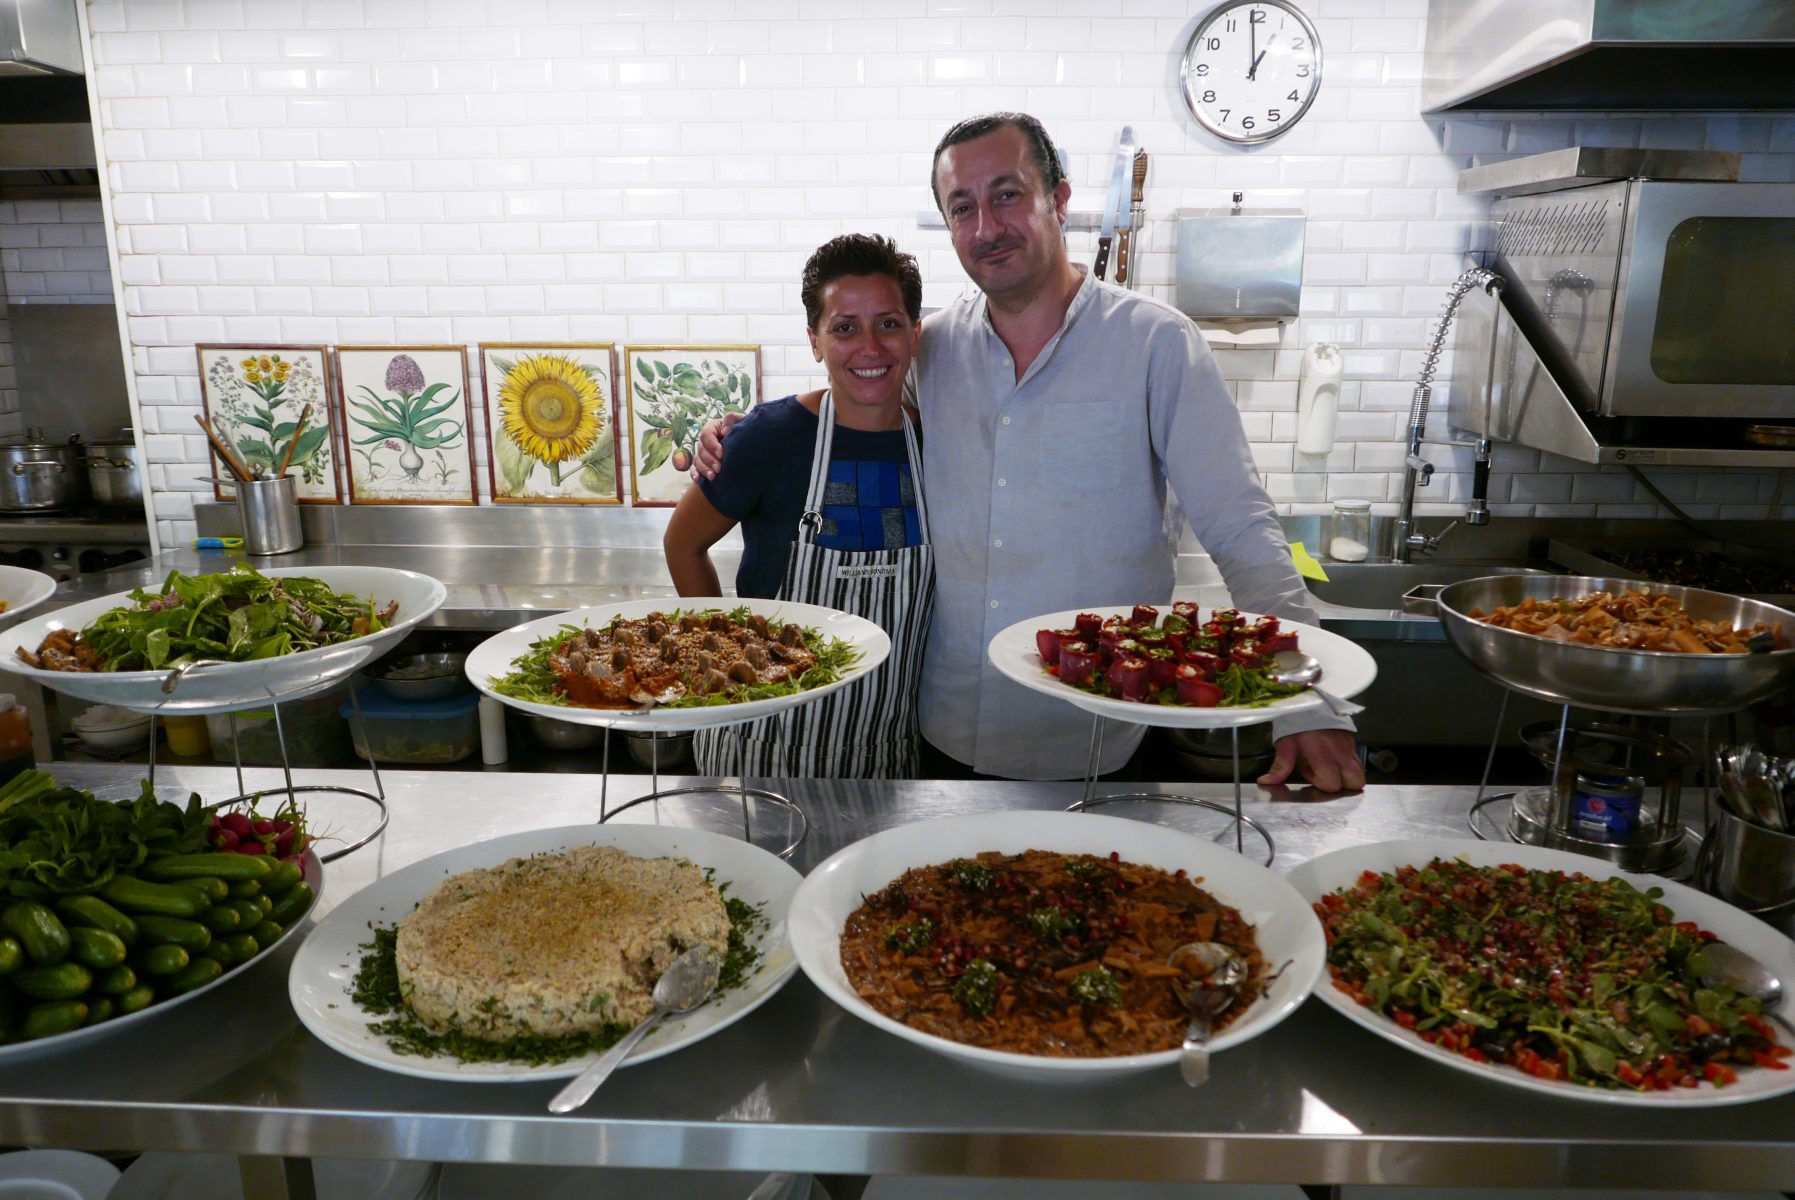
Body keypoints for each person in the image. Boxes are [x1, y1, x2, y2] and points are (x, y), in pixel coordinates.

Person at [700, 113, 1363, 791]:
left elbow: (1239, 525)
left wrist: (1305, 698)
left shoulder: (1154, 345)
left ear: (1059, 198)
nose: (986, 227)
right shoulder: (934, 351)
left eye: (1007, 194)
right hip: (943, 732)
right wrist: (735, 434)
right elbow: (852, 393)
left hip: (1100, 736)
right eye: (963, 207)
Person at [663, 233, 933, 778]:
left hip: (883, 753)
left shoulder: (937, 443)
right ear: (815, 341)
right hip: (758, 747)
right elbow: (682, 545)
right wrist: (720, 654)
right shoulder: (770, 437)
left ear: (915, 334)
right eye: (844, 328)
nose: (870, 347)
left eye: (889, 323)